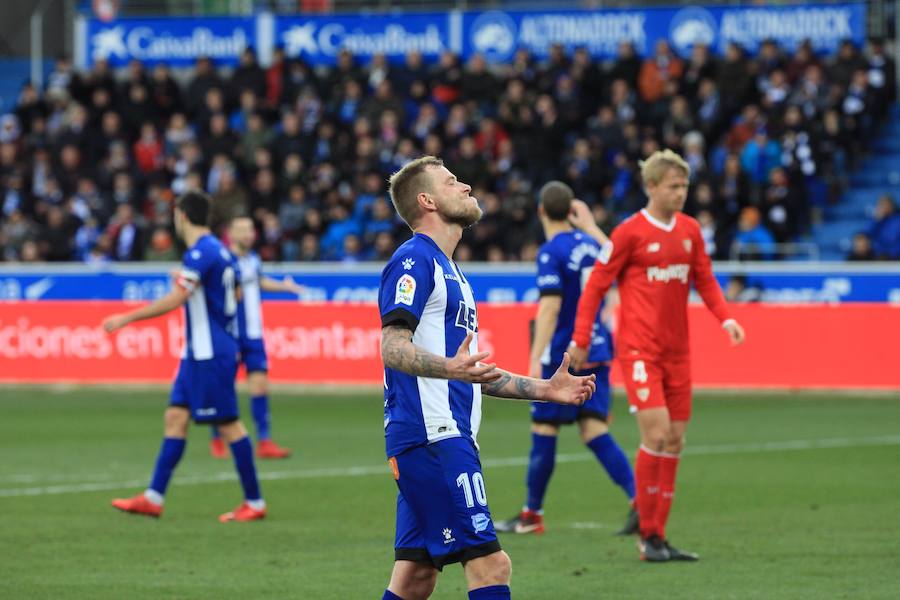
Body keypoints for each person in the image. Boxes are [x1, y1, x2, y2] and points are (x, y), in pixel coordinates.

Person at [379, 156, 596, 600]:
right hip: (433, 437)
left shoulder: (454, 272)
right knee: (492, 566)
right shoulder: (413, 260)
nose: (465, 186)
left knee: (415, 578)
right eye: (451, 181)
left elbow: (473, 374)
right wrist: (448, 368)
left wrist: (545, 390)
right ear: (427, 201)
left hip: (440, 437)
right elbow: (391, 347)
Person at [569, 149, 746, 562]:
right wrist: (581, 337)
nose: (682, 193)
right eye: (674, 186)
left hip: (678, 353)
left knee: (677, 440)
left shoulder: (690, 230)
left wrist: (726, 319)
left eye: (685, 185)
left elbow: (705, 279)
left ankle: (659, 537)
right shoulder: (629, 233)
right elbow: (595, 285)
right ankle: (647, 535)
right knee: (658, 435)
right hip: (639, 351)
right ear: (651, 187)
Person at [102, 191, 266, 522]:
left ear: (182, 216)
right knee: (175, 417)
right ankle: (153, 497)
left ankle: (255, 503)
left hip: (210, 352)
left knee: (228, 424)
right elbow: (231, 291)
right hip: (197, 352)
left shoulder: (200, 251)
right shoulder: (221, 252)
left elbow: (177, 299)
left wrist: (126, 318)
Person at [495, 182, 637, 537]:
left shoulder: (550, 251)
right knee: (593, 429)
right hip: (598, 348)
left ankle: (532, 514)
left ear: (541, 210)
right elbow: (620, 263)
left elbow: (550, 307)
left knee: (544, 428)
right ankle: (641, 501)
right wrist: (591, 227)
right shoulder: (592, 245)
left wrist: (532, 361)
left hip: (563, 354)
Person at [209, 215, 302, 459]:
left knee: (260, 384)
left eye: (251, 229)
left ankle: (264, 441)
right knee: (223, 385)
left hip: (253, 333)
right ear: (232, 233)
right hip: (230, 334)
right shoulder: (223, 259)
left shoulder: (252, 259)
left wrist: (284, 287)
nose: (250, 233)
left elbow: (258, 282)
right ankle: (217, 439)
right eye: (244, 229)